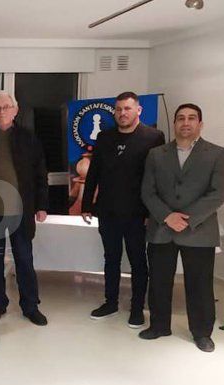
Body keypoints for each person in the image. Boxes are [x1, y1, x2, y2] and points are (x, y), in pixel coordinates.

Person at [139, 103, 224, 352]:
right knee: (158, 281)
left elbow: (218, 194)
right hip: (162, 228)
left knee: (199, 284)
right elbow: (147, 191)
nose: (185, 122)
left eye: (191, 118)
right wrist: (167, 216)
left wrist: (186, 219)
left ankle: (202, 333)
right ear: (175, 123)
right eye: (181, 118)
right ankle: (159, 326)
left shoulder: (217, 154)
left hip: (199, 230)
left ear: (200, 124)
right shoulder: (156, 154)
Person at [81, 91, 165, 328]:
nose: (122, 113)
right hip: (107, 211)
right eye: (118, 109)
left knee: (138, 262)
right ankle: (111, 303)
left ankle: (137, 308)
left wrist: (152, 213)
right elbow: (93, 173)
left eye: (127, 108)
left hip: (138, 213)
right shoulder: (104, 137)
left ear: (138, 110)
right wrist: (87, 205)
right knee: (111, 259)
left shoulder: (154, 137)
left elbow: (159, 177)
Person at [0, 90, 49, 326]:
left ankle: (30, 306)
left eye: (6, 107)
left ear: (15, 110)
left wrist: (42, 206)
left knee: (24, 260)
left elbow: (40, 174)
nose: (2, 111)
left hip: (21, 212)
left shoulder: (28, 138)